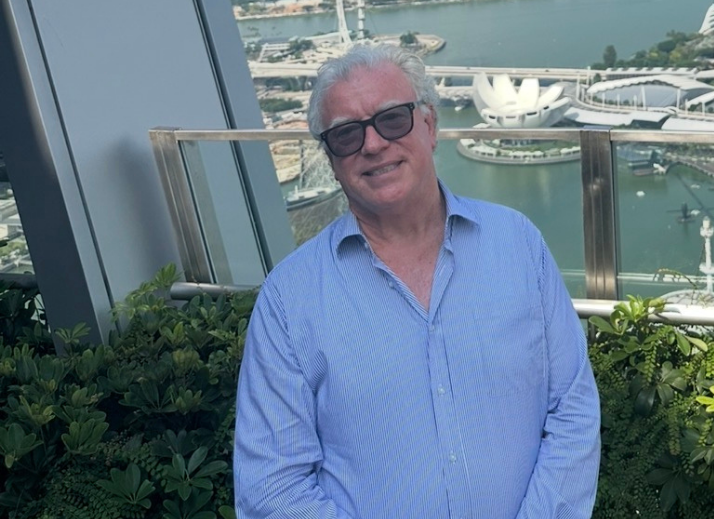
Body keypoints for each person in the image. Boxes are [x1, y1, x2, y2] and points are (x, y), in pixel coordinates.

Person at [234, 44, 601, 519]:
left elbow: (572, 410)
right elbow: (272, 488)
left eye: (392, 119)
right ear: (331, 157)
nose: (372, 144)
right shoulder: (289, 299)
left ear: (430, 125)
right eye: (346, 134)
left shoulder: (518, 244)